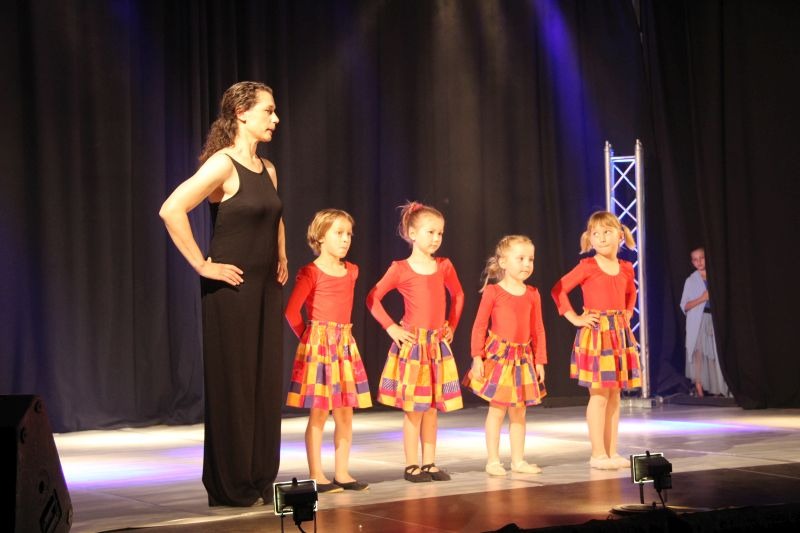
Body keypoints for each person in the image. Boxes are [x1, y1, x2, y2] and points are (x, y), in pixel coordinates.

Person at [159, 81, 286, 506]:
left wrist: (281, 254)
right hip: (231, 291)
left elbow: (275, 215)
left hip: (265, 289)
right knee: (235, 384)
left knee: (263, 383)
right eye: (268, 110)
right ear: (242, 113)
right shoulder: (222, 164)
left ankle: (259, 476)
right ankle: (231, 482)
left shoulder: (268, 169)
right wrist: (201, 264)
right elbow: (172, 209)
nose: (275, 119)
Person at [366, 201, 464, 482]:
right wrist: (391, 328)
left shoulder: (444, 266)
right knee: (414, 410)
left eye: (440, 233)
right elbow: (372, 298)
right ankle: (412, 465)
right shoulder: (400, 269)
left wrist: (452, 325)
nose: (436, 238)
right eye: (430, 232)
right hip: (414, 346)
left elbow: (458, 295)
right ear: (412, 233)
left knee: (431, 408)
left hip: (436, 345)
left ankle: (430, 462)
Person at [284, 209, 372, 494]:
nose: (346, 239)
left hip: (344, 344)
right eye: (339, 233)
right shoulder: (311, 272)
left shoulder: (352, 271)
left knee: (345, 412)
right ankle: (317, 474)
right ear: (321, 236)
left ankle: (342, 473)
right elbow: (291, 312)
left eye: (349, 234)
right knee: (320, 412)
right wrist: (309, 339)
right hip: (320, 347)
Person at [551, 211, 641, 471]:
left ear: (620, 235)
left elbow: (631, 292)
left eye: (607, 232)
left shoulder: (626, 267)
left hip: (618, 333)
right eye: (596, 233)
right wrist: (575, 318)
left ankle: (612, 452)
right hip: (597, 333)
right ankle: (598, 454)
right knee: (599, 395)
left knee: (615, 396)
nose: (601, 238)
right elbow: (558, 290)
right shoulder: (587, 266)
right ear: (589, 238)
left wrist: (627, 313)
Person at [463, 235, 547, 477]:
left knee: (519, 411)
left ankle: (518, 460)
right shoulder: (493, 292)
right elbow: (479, 325)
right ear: (502, 262)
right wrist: (476, 356)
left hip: (523, 358)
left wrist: (540, 360)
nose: (527, 264)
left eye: (530, 259)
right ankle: (493, 460)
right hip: (499, 357)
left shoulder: (533, 293)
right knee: (497, 410)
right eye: (520, 258)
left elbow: (538, 329)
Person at [680, 247, 728, 397]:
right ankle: (699, 389)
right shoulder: (691, 281)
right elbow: (685, 306)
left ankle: (717, 389)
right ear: (692, 262)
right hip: (699, 320)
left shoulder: (715, 277)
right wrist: (702, 298)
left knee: (714, 354)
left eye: (702, 258)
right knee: (699, 354)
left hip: (713, 320)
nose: (699, 262)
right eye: (695, 259)